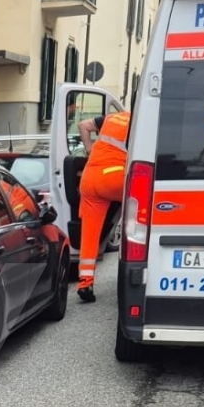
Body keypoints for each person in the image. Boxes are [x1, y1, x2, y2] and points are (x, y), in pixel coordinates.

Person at [75, 103, 131, 302]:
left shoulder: (110, 118)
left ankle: (85, 282)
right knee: (139, 213)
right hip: (116, 176)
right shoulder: (140, 121)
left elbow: (83, 125)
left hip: (90, 179)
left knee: (89, 233)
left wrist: (90, 148)